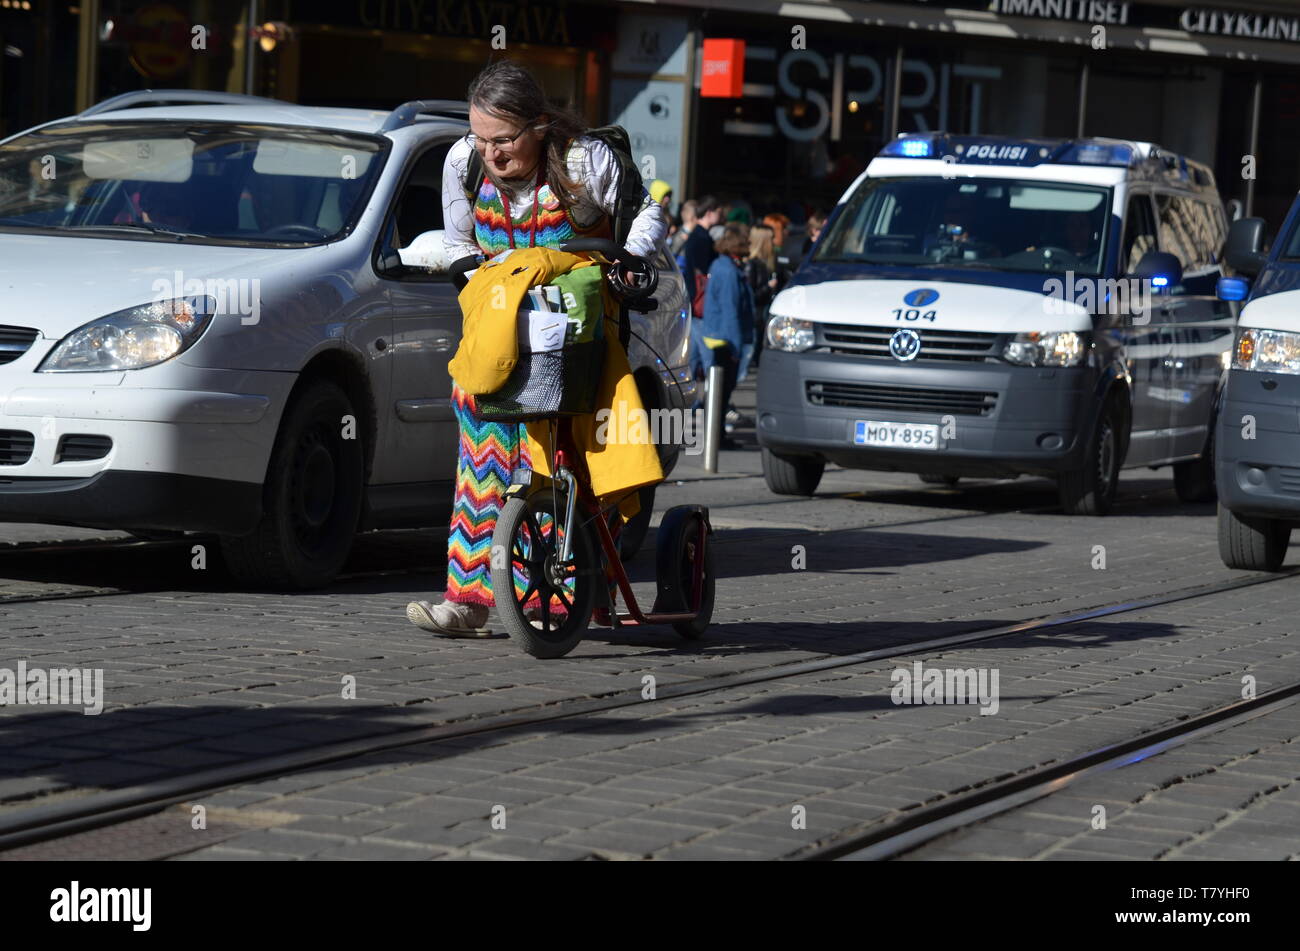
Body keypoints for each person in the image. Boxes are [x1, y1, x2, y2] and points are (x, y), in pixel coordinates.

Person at [406, 60, 667, 637]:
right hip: (499, 332)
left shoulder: (582, 160)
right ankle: (468, 600)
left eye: (504, 140)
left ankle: (556, 595)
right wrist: (471, 273)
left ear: (540, 127)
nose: (492, 154)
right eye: (481, 138)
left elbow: (647, 210)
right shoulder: (462, 163)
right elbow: (455, 242)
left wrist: (631, 258)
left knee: (557, 456)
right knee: (480, 455)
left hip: (573, 333)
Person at [702, 223, 754, 449]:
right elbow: (731, 310)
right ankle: (717, 437)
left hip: (716, 334)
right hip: (725, 338)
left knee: (719, 391)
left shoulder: (719, 265)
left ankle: (717, 434)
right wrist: (736, 347)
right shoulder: (730, 271)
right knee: (722, 391)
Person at [681, 195, 723, 381]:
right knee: (707, 355)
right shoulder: (701, 238)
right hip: (700, 299)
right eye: (718, 212)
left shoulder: (697, 236)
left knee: (695, 354)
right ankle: (713, 399)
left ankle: (687, 401)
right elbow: (703, 271)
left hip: (695, 298)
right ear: (709, 212)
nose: (721, 217)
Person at [741, 224, 778, 380]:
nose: (774, 242)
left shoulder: (767, 263)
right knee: (746, 365)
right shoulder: (752, 264)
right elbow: (750, 296)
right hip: (755, 318)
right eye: (771, 239)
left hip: (762, 318)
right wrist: (768, 287)